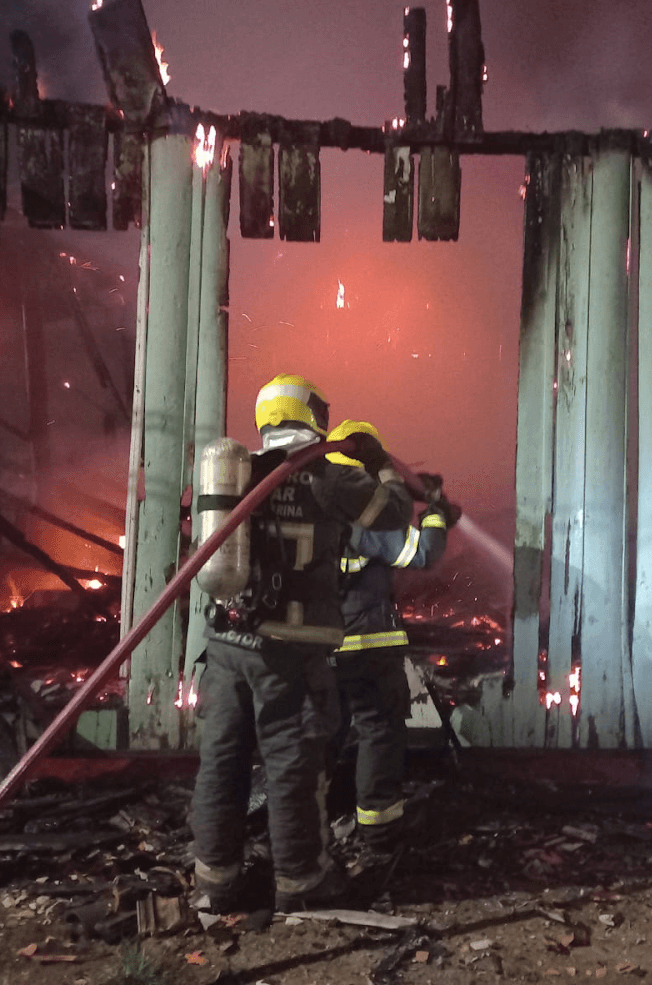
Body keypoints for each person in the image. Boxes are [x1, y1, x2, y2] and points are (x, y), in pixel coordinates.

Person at [190, 375, 413, 913]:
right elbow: (395, 514)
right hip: (289, 652)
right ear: (314, 415)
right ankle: (301, 880)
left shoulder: (239, 473)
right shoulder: (329, 477)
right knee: (293, 765)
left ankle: (216, 880)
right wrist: (380, 462)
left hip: (225, 646)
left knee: (221, 760)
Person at [323, 420, 461, 853]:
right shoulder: (366, 519)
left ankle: (309, 826)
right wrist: (435, 513)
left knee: (321, 737)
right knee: (379, 731)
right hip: (368, 645)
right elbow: (424, 552)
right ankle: (379, 832)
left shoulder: (315, 511)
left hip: (317, 648)